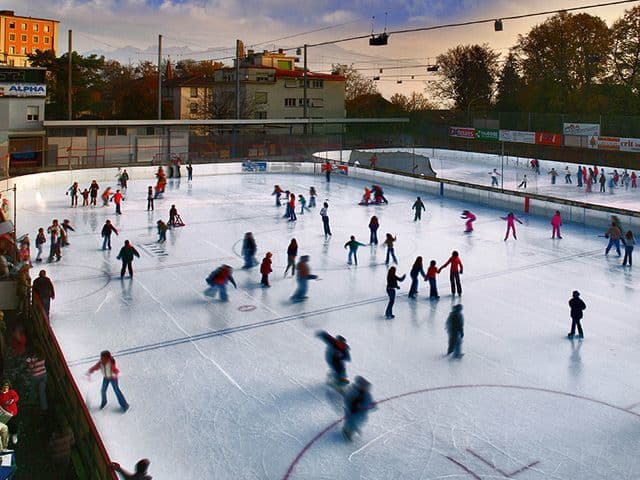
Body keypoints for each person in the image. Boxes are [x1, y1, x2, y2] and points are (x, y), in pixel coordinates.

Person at [342, 376, 375, 441]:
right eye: (364, 386)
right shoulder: (353, 391)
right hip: (352, 411)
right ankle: (347, 431)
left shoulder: (367, 394)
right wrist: (351, 405)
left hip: (362, 413)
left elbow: (370, 403)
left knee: (360, 421)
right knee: (351, 421)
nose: (365, 388)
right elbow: (347, 399)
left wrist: (372, 405)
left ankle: (352, 429)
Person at [25, 346, 47, 411]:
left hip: (36, 377)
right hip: (44, 375)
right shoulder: (43, 357)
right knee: (42, 392)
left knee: (33, 390)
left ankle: (32, 403)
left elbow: (31, 368)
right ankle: (44, 407)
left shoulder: (33, 359)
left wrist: (28, 362)